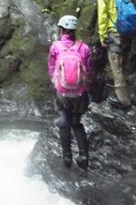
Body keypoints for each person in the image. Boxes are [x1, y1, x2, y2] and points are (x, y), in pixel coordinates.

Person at [48, 15, 92, 170]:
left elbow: (51, 68)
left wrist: (56, 84)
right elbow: (89, 71)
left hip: (63, 92)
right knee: (76, 123)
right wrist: (85, 88)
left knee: (65, 122)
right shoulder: (84, 48)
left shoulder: (55, 47)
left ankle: (67, 157)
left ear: (61, 29)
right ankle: (83, 156)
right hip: (80, 93)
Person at [97, 0, 132, 110]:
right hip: (127, 33)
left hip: (114, 33)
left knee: (116, 66)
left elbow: (102, 18)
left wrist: (102, 37)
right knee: (123, 64)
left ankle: (123, 100)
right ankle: (126, 94)